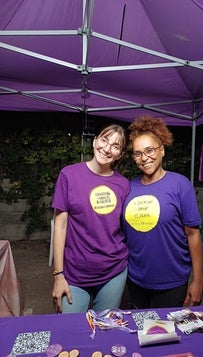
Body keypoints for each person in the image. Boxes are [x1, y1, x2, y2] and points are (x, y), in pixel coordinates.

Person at [123, 115, 203, 309]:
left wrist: (198, 280)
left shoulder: (180, 185)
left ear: (162, 150)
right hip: (135, 280)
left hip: (172, 283)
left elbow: (193, 234)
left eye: (149, 150)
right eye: (138, 153)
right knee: (139, 333)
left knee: (166, 335)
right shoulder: (128, 187)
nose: (144, 158)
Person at [51, 124, 130, 313]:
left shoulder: (123, 184)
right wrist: (58, 274)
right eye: (104, 140)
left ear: (119, 154)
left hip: (113, 271)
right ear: (95, 142)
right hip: (75, 273)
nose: (107, 148)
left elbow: (125, 227)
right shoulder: (69, 175)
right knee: (69, 331)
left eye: (115, 146)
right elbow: (60, 226)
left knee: (106, 329)